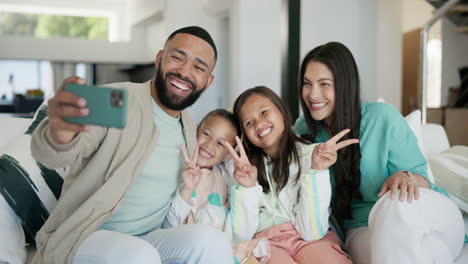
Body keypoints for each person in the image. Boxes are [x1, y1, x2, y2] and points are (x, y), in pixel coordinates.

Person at [30, 26, 233, 264]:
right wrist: (61, 130)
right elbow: (52, 154)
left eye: (198, 67)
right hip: (84, 236)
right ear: (159, 59)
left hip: (148, 240)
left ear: (207, 82)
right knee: (140, 255)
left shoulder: (189, 128)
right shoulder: (117, 98)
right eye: (177, 57)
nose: (184, 72)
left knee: (212, 240)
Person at [293, 41, 466, 263]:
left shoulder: (382, 117)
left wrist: (405, 176)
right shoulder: (303, 131)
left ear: (346, 85)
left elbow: (421, 179)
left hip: (423, 213)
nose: (313, 94)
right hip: (363, 228)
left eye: (324, 83)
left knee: (396, 204)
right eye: (307, 84)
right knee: (425, 251)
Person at [225, 86, 356, 264]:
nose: (259, 124)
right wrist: (246, 188)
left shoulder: (312, 155)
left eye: (264, 112)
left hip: (309, 239)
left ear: (281, 111)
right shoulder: (241, 169)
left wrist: (317, 171)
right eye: (249, 122)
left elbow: (312, 232)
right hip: (265, 243)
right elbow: (241, 236)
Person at [163, 109, 270, 264]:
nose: (209, 145)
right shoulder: (180, 170)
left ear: (227, 154)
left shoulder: (224, 180)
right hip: (187, 252)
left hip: (223, 252)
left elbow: (242, 233)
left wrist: (247, 187)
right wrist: (186, 189)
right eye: (206, 134)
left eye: (220, 143)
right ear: (196, 130)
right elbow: (169, 228)